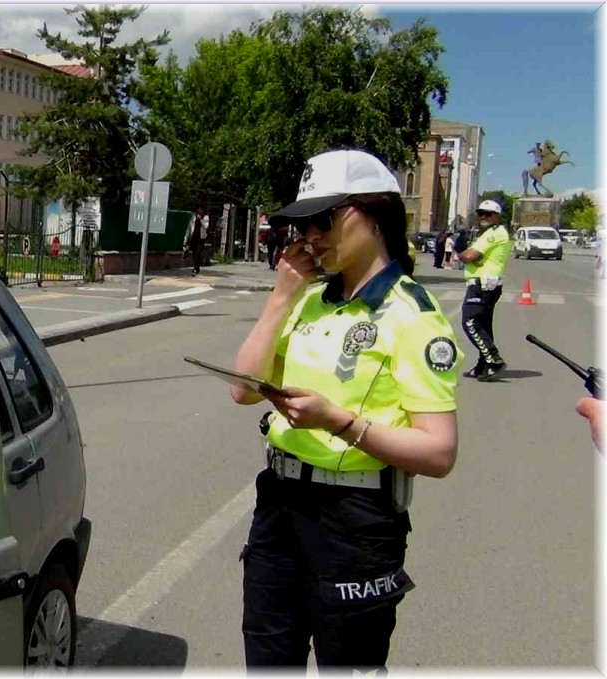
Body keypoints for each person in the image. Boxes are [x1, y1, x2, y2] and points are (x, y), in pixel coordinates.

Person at [229, 149, 461, 673]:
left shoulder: (412, 316)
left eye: (324, 219)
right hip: (280, 503)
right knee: (267, 661)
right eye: (302, 225)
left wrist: (338, 421)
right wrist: (280, 298)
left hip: (355, 522)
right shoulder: (311, 300)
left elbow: (439, 452)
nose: (310, 235)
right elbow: (243, 390)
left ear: (374, 214)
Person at [458, 200, 512, 380]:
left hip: (483, 284)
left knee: (470, 322)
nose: (483, 217)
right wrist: (469, 256)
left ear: (497, 216)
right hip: (485, 284)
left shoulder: (495, 233)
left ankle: (494, 360)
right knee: (483, 326)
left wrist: (464, 256)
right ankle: (483, 365)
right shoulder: (487, 233)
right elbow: (471, 255)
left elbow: (469, 255)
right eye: (481, 213)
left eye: (488, 214)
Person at [184, 206, 208, 275]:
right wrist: (187, 237)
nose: (199, 210)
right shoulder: (193, 217)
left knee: (198, 253)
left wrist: (201, 220)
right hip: (193, 238)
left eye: (201, 209)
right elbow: (190, 227)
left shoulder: (205, 217)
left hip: (201, 238)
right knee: (194, 254)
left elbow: (206, 226)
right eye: (198, 209)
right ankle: (196, 268)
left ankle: (195, 268)